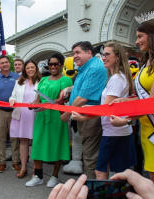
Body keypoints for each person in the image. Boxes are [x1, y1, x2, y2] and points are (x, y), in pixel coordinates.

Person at [110, 17, 154, 199]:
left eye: (140, 36)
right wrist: (125, 102)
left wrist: (125, 119)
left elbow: (152, 103)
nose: (136, 41)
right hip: (148, 124)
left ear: (153, 36)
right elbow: (144, 97)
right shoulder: (149, 61)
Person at [71, 42, 137, 179]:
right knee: (110, 171)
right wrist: (87, 109)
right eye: (103, 54)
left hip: (116, 133)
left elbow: (105, 109)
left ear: (117, 57)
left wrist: (83, 117)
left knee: (104, 171)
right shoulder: (115, 77)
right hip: (113, 131)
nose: (104, 57)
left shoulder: (117, 79)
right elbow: (106, 106)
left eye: (107, 54)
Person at [60, 41, 107, 179]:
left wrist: (67, 113)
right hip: (83, 116)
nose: (74, 56)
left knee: (90, 156)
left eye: (78, 52)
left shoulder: (94, 68)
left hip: (90, 117)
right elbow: (79, 88)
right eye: (73, 53)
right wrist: (68, 89)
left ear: (89, 53)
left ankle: (92, 188)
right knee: (88, 154)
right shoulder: (85, 68)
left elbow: (83, 98)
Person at [25, 53, 73, 187]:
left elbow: (63, 99)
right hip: (41, 117)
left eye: (55, 64)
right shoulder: (43, 80)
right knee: (38, 145)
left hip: (57, 116)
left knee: (56, 144)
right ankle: (38, 176)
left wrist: (50, 104)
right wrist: (32, 105)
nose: (52, 66)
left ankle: (54, 176)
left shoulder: (66, 80)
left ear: (61, 65)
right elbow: (37, 99)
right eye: (50, 64)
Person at [9, 60, 41, 178]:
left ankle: (36, 169)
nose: (30, 70)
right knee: (23, 142)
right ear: (25, 70)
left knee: (36, 142)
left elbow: (43, 98)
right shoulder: (19, 82)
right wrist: (11, 100)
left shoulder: (41, 81)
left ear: (36, 68)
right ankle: (23, 167)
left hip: (36, 115)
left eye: (32, 67)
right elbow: (12, 96)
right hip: (21, 115)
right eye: (28, 68)